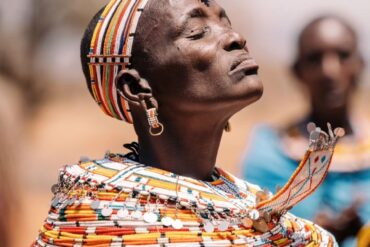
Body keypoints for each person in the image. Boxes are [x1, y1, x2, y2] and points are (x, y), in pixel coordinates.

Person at [33, 1, 340, 246]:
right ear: (137, 89)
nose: (235, 38)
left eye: (225, 22)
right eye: (197, 32)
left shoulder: (264, 219)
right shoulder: (89, 223)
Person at [242, 15, 369, 247]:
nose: (329, 70)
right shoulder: (270, 150)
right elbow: (255, 232)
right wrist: (312, 236)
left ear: (360, 64)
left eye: (342, 55)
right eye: (314, 58)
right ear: (297, 71)